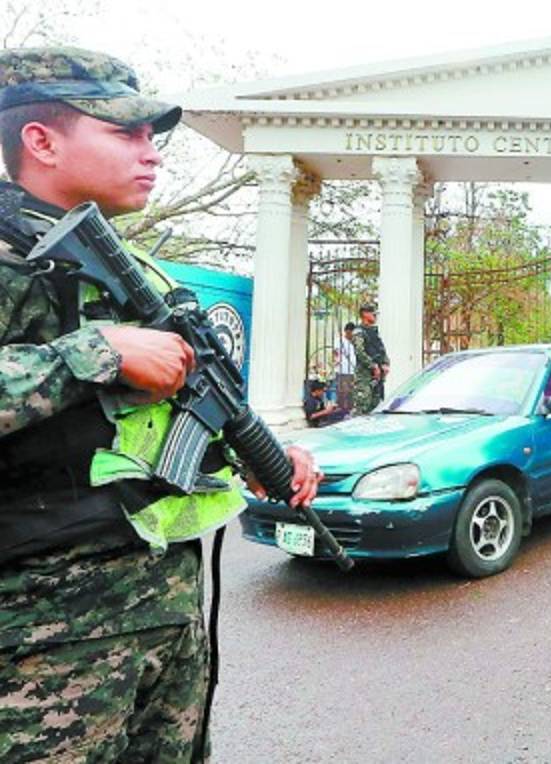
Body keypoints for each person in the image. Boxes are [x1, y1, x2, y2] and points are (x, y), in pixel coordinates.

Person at [0, 47, 321, 761]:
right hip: (41, 636)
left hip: (163, 612)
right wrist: (95, 355)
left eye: (154, 135)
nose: (152, 153)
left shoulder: (123, 262)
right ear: (41, 140)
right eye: (125, 133)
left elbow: (144, 425)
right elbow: (93, 375)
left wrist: (255, 455)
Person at [352, 302, 390, 414]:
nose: (375, 315)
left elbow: (381, 350)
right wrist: (373, 366)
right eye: (373, 313)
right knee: (362, 409)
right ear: (365, 314)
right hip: (365, 378)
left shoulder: (373, 332)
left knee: (375, 408)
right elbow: (360, 352)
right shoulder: (359, 332)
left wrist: (386, 364)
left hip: (377, 378)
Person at [334, 321, 356, 413]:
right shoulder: (339, 341)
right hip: (342, 370)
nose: (351, 334)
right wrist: (336, 361)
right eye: (350, 332)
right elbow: (335, 354)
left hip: (353, 370)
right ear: (346, 331)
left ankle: (350, 409)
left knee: (351, 391)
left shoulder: (355, 341)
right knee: (342, 391)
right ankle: (341, 409)